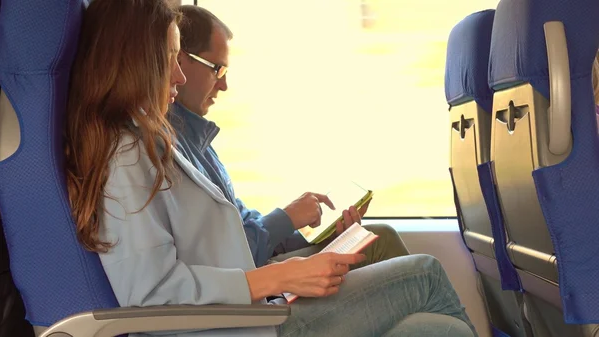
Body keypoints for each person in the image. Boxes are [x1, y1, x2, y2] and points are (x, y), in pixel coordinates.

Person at [64, 0, 477, 336]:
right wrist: (279, 279)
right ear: (134, 62)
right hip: (238, 326)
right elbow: (151, 292)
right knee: (425, 273)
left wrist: (284, 269)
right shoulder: (125, 155)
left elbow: (209, 251)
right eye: (169, 59)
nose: (176, 74)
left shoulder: (151, 140)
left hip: (250, 312)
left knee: (434, 328)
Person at [170, 5, 409, 269]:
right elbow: (227, 258)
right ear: (180, 61)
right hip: (255, 299)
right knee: (409, 262)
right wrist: (286, 218)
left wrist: (323, 236)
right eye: (217, 69)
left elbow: (244, 227)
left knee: (376, 237)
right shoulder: (172, 151)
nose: (224, 85)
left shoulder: (197, 144)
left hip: (259, 279)